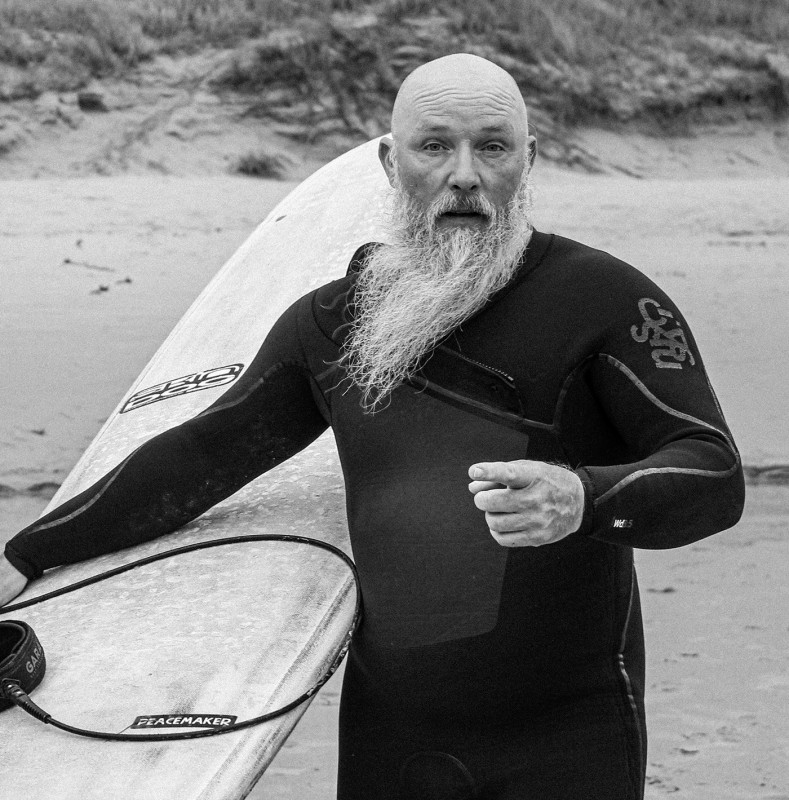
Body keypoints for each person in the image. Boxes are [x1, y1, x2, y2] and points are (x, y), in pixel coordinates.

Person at [0, 54, 744, 799]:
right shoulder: (331, 325)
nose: (464, 174)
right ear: (390, 163)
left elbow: (712, 471)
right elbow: (203, 455)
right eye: (434, 146)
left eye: (492, 147)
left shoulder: (605, 299)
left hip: (567, 731)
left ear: (529, 160)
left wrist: (583, 497)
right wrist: (31, 551)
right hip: (392, 734)